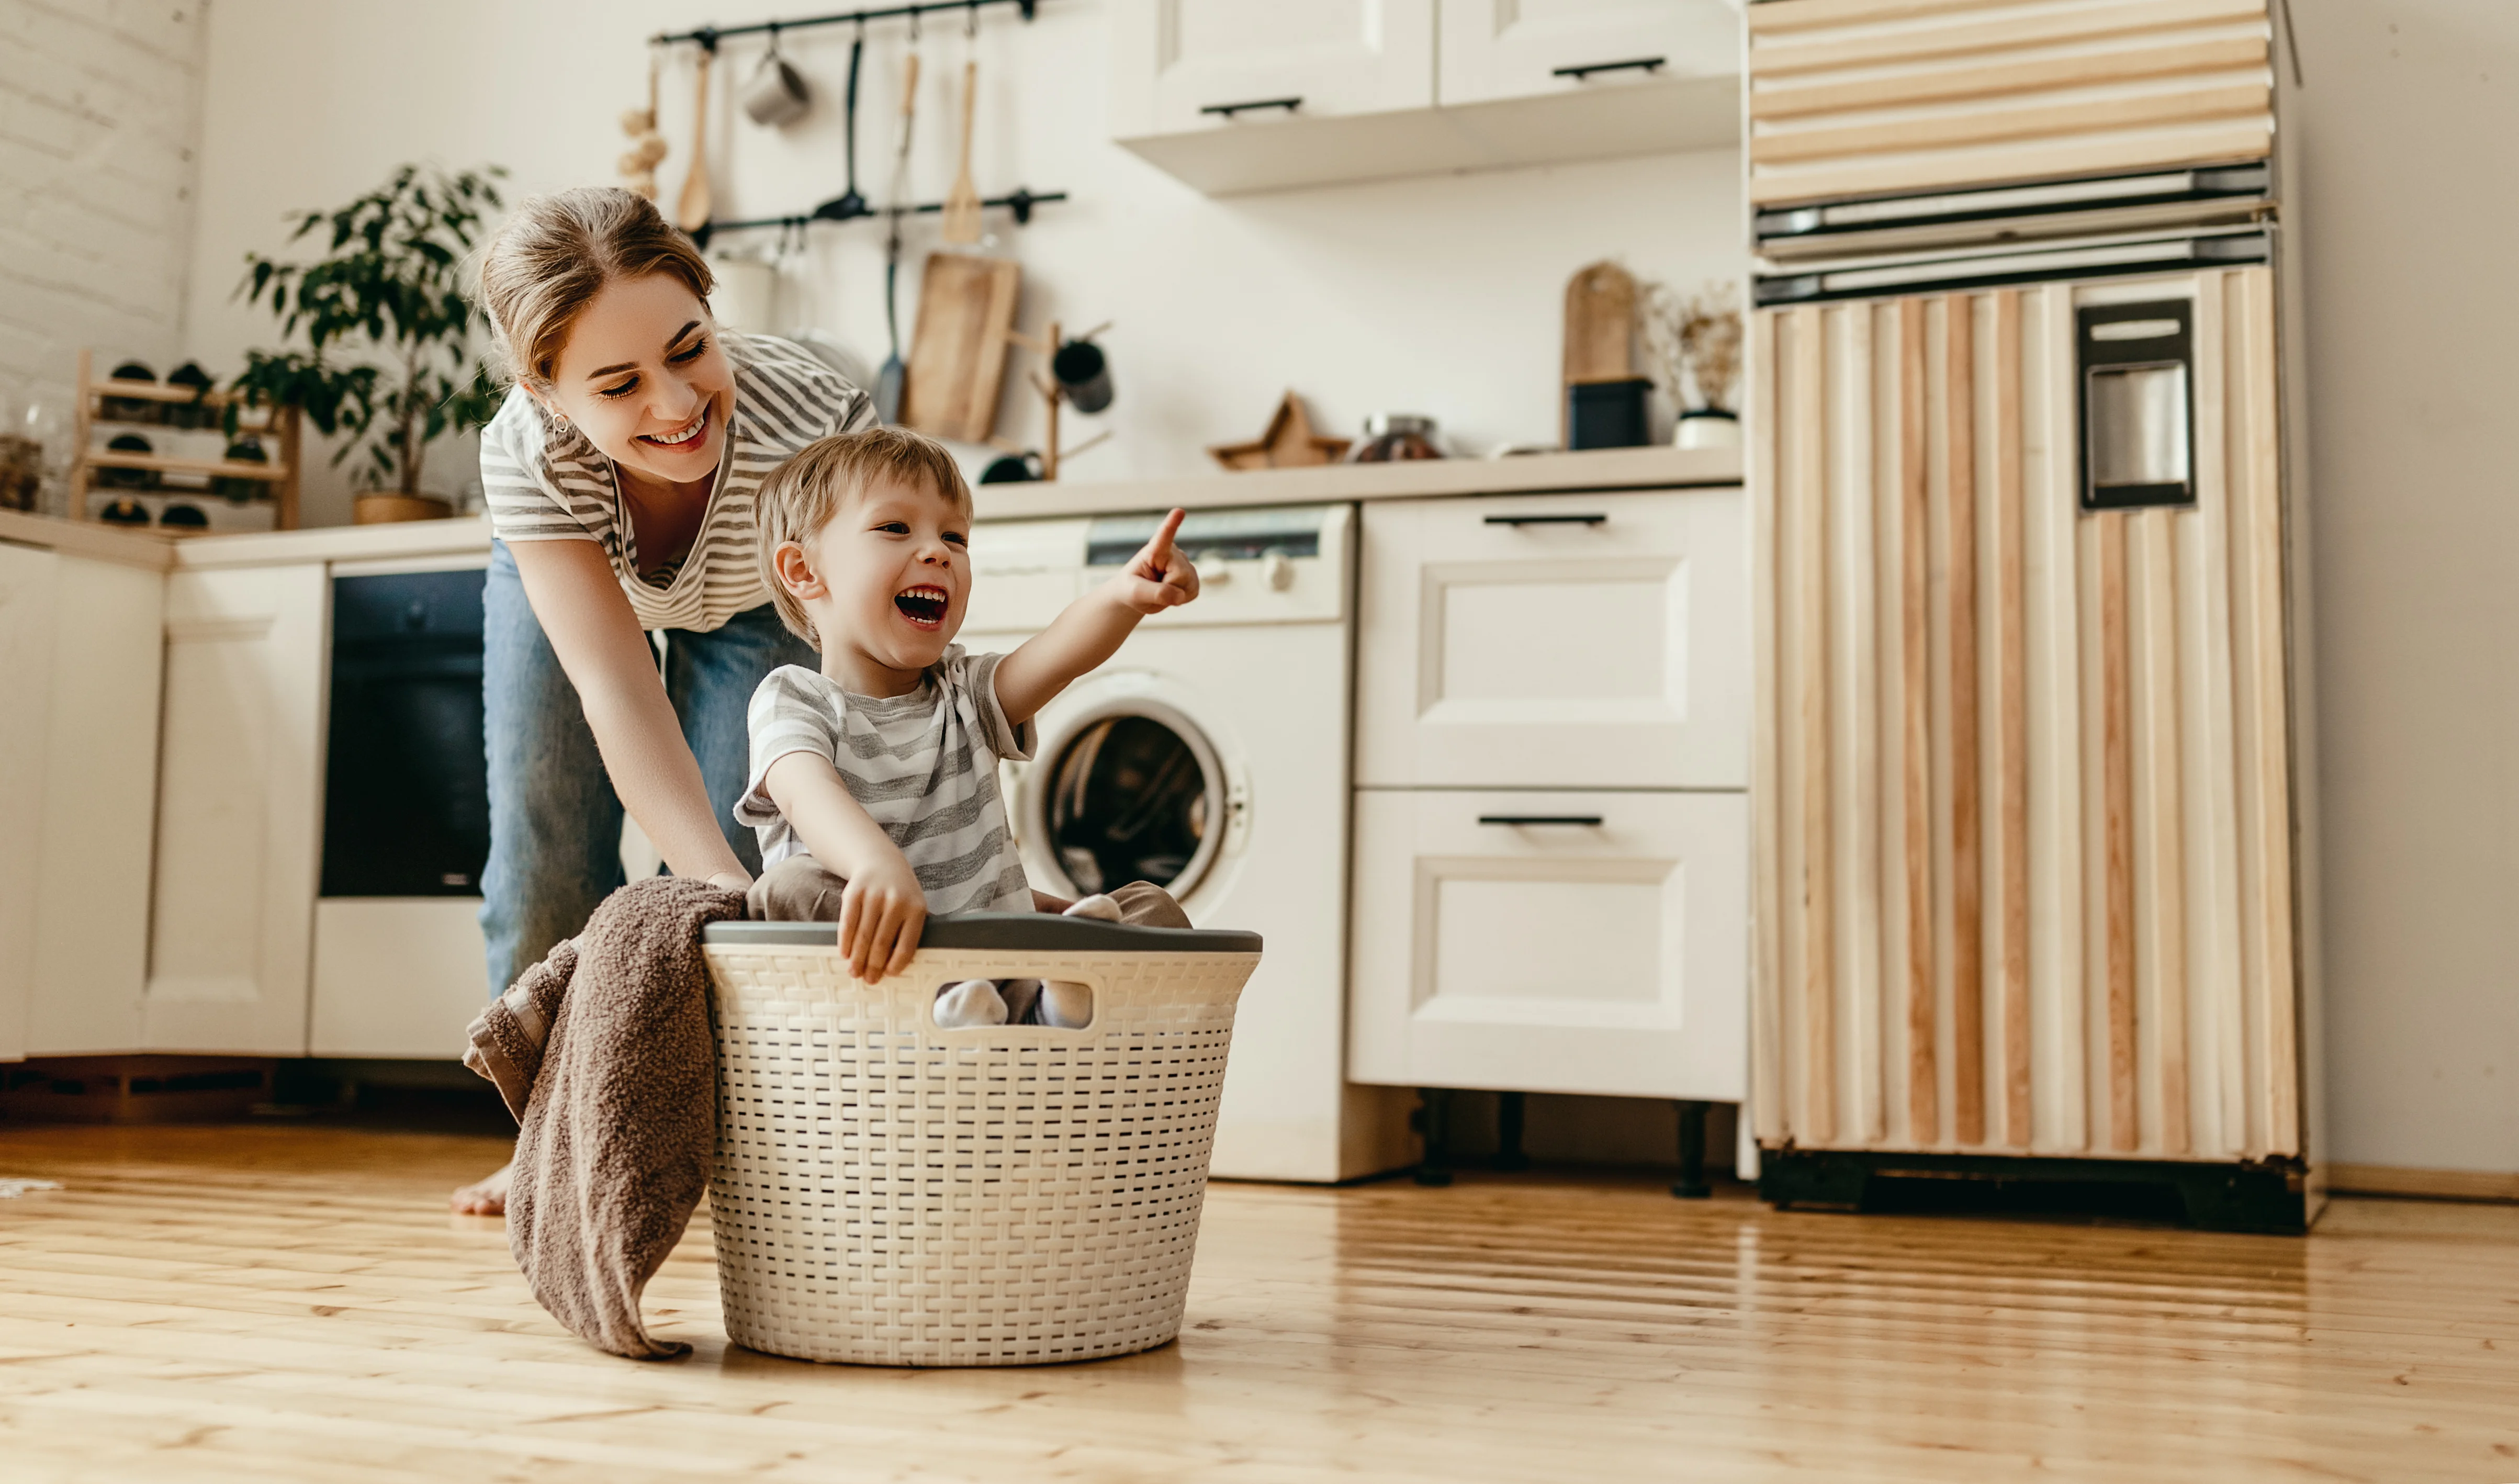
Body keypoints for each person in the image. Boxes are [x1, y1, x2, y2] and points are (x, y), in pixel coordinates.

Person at [451, 187, 872, 1215]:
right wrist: (714, 888)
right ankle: (552, 1137)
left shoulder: (817, 417)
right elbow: (613, 686)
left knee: (755, 846)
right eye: (620, 383)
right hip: (584, 571)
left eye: (690, 348)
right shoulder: (526, 453)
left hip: (758, 595)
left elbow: (862, 642)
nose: (677, 404)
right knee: (547, 839)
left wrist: (746, 886)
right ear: (548, 393)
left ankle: (730, 1142)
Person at [735, 428, 1199, 1026]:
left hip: (1004, 959)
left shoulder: (963, 692)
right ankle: (959, 1010)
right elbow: (806, 792)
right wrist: (876, 865)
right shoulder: (793, 698)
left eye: (954, 536)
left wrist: (1122, 597)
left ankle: (1054, 1007)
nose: (938, 552)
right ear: (803, 570)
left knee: (1148, 908)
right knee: (785, 891)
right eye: (895, 528)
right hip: (879, 977)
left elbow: (1058, 652)